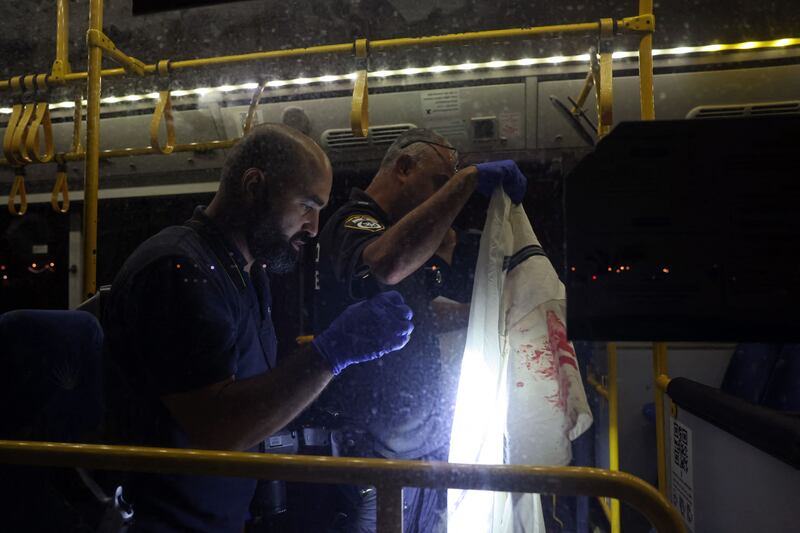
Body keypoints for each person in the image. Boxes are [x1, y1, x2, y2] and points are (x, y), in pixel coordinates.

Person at [102, 123, 415, 533]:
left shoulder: (246, 274)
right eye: (306, 205)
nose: (314, 227)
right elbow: (218, 427)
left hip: (216, 519)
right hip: (162, 522)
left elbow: (248, 390)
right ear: (254, 186)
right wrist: (330, 354)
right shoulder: (179, 269)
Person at [312, 128, 528, 532]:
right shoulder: (355, 221)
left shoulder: (395, 235)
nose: (443, 197)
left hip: (415, 442)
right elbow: (385, 265)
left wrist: (483, 314)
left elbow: (420, 314)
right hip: (376, 450)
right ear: (405, 168)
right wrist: (466, 181)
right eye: (439, 183)